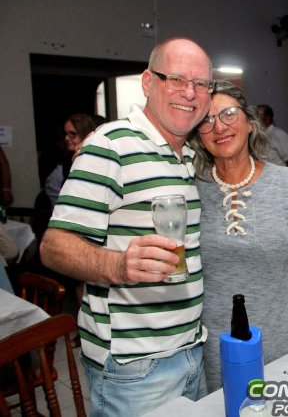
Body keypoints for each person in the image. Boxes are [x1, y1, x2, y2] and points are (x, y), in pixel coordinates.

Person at [39, 37, 213, 416]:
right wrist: (118, 265)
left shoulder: (189, 154)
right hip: (134, 367)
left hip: (189, 349)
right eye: (176, 79)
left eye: (201, 83)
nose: (190, 92)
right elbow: (53, 246)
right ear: (148, 82)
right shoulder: (110, 146)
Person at [191, 81, 288, 392]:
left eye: (228, 114)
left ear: (250, 122)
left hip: (282, 334)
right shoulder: (190, 188)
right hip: (215, 342)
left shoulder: (285, 184)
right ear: (198, 136)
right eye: (206, 120)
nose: (219, 127)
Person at [44, 113, 96, 207]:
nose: (67, 138)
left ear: (85, 134)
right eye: (66, 133)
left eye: (72, 134)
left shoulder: (93, 157)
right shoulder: (67, 158)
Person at [256, 104, 288, 168]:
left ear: (267, 118)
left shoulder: (278, 134)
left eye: (257, 116)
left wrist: (286, 174)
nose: (254, 119)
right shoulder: (260, 135)